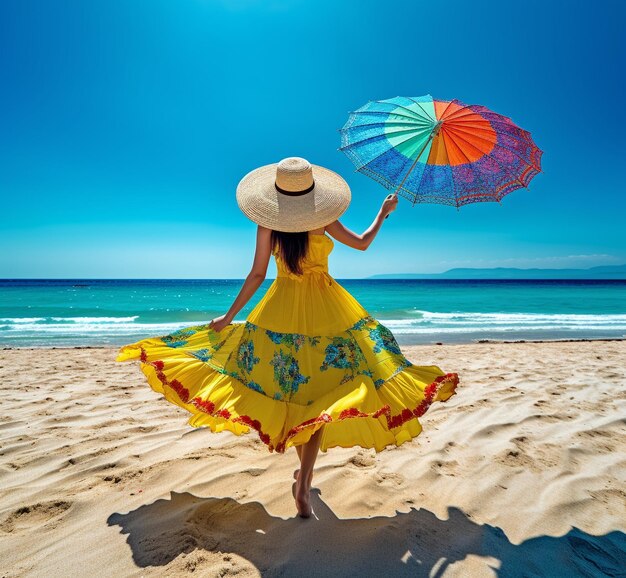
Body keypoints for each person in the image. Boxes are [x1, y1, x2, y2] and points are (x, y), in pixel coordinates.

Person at [116, 156, 459, 518]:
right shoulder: (323, 219)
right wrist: (383, 212)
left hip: (279, 309)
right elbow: (361, 244)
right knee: (319, 398)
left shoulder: (267, 225)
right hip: (328, 309)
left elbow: (256, 275)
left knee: (296, 395)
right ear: (312, 191)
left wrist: (229, 316)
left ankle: (303, 482)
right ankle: (305, 483)